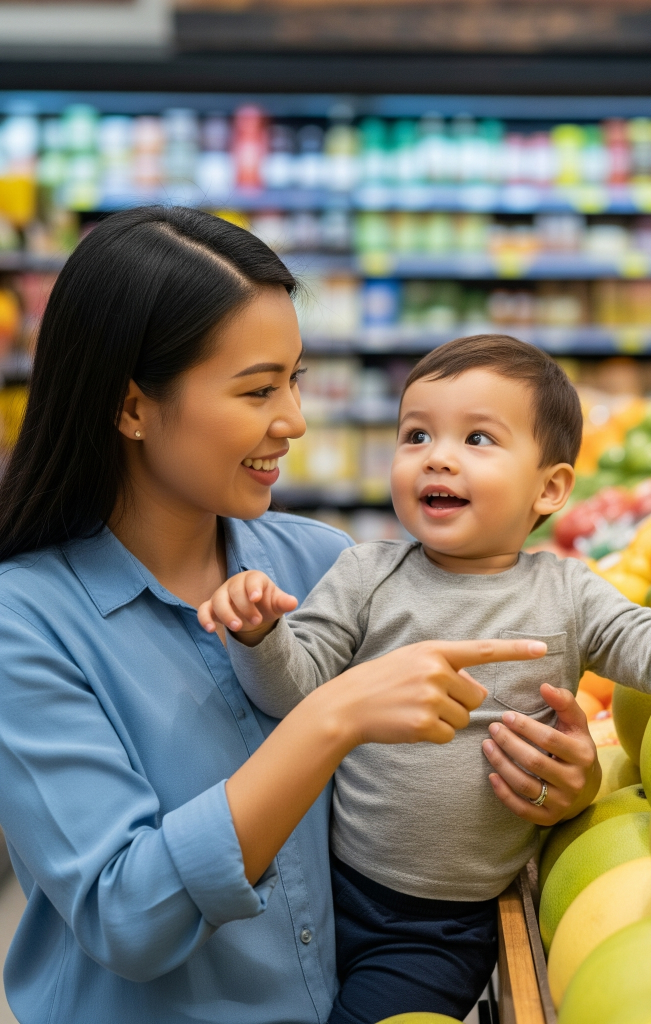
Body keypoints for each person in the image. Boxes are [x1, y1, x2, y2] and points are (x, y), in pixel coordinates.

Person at [0, 208, 599, 1024]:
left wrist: (557, 785)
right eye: (257, 389)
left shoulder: (323, 563)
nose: (295, 420)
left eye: (295, 379)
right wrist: (330, 717)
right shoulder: (26, 622)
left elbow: (428, 781)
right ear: (132, 406)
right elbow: (125, 915)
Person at [201, 334, 651, 1024]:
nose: (437, 456)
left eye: (478, 438)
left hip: (440, 930)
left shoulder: (570, 593)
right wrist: (262, 635)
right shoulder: (366, 574)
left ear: (552, 487)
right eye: (416, 435)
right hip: (326, 888)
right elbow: (295, 696)